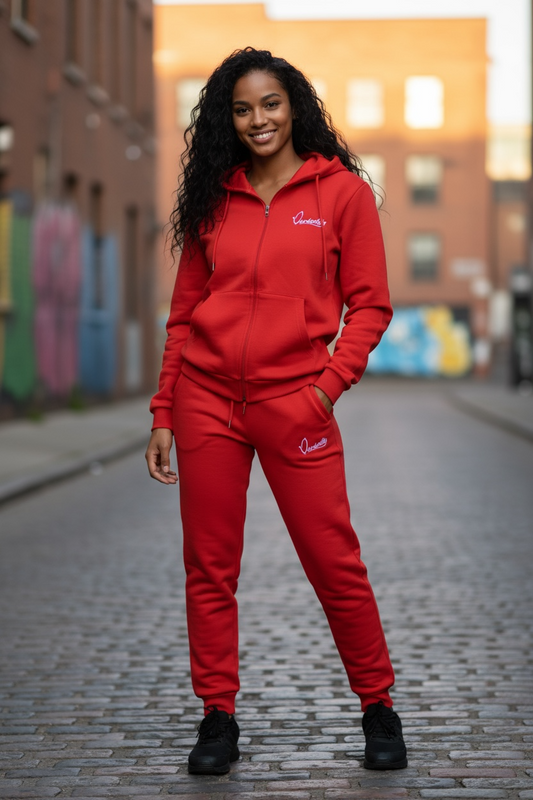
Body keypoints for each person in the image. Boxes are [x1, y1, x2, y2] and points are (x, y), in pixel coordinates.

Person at [145, 47, 407, 776]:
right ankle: (217, 717)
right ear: (225, 119)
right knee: (209, 565)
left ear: (293, 106)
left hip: (295, 404)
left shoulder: (342, 194)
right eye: (240, 108)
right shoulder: (213, 197)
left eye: (269, 104)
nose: (257, 119)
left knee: (333, 560)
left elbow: (370, 306)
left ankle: (377, 704)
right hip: (205, 402)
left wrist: (322, 391)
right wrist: (164, 409)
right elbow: (183, 314)